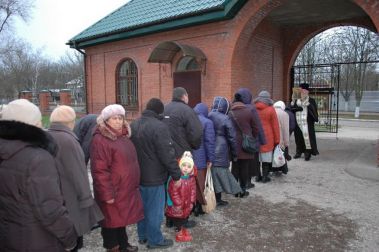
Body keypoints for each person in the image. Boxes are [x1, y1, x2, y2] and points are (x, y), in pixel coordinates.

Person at [0, 99, 77, 251]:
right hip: (38, 240)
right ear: (32, 125)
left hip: (8, 237)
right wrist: (70, 238)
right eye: (39, 121)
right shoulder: (37, 158)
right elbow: (50, 210)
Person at [48, 106, 104, 251]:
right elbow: (78, 172)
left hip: (56, 194)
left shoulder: (49, 135)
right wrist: (87, 199)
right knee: (74, 238)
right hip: (72, 195)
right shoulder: (68, 140)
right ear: (71, 121)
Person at [90, 104, 143, 252]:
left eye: (120, 118)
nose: (118, 121)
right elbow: (99, 170)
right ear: (106, 120)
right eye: (114, 118)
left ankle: (123, 244)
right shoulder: (101, 139)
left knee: (120, 218)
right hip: (112, 190)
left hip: (124, 188)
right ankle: (112, 247)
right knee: (110, 221)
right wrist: (106, 194)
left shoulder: (123, 136)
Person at [130, 98, 181, 250]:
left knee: (142, 208)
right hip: (155, 177)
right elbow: (167, 153)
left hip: (138, 176)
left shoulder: (135, 124)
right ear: (160, 111)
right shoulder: (159, 127)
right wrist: (176, 174)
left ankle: (143, 236)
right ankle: (155, 240)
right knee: (155, 211)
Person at [208, 96, 241, 206]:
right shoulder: (226, 118)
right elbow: (232, 137)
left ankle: (212, 197)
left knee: (212, 174)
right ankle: (218, 199)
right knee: (220, 174)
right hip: (221, 148)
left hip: (210, 145)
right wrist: (235, 154)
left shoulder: (209, 114)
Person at [235, 88, 266, 187]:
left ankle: (237, 183)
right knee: (249, 162)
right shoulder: (251, 109)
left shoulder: (233, 107)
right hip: (249, 140)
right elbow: (257, 126)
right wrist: (261, 139)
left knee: (237, 163)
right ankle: (247, 182)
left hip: (235, 141)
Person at [229, 92, 258, 197]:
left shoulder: (230, 112)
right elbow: (256, 128)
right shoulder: (249, 111)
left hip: (233, 143)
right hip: (246, 144)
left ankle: (234, 190)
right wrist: (251, 137)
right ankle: (243, 189)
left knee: (235, 166)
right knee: (245, 167)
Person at [165, 151, 197, 242]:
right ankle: (179, 234)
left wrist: (192, 201)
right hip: (177, 205)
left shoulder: (191, 178)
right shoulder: (176, 178)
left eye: (188, 166)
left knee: (184, 217)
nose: (186, 168)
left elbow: (193, 190)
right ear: (180, 165)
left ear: (192, 168)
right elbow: (173, 192)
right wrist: (178, 203)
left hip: (186, 203)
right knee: (177, 218)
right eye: (184, 165)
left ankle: (181, 229)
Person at [163, 87, 203, 158]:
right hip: (183, 155)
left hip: (165, 154)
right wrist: (194, 146)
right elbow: (196, 132)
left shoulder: (164, 109)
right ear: (184, 96)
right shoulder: (188, 111)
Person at [192, 103, 215, 216]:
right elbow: (209, 142)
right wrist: (210, 159)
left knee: (191, 183)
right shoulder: (207, 122)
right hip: (201, 158)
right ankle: (198, 208)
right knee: (201, 184)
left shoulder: (189, 120)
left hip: (189, 158)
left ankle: (191, 207)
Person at [254, 91, 280, 183]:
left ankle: (257, 176)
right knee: (266, 158)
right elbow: (275, 126)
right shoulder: (271, 109)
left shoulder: (253, 108)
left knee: (257, 158)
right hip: (267, 137)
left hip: (256, 136)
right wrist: (277, 139)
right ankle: (265, 177)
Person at [291, 83, 319, 161]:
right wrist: (293, 103)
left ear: (307, 92)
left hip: (308, 123)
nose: (301, 93)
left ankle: (308, 153)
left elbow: (314, 112)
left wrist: (307, 104)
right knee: (298, 138)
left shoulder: (311, 100)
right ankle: (298, 151)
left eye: (303, 91)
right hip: (298, 123)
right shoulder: (296, 100)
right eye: (300, 91)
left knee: (307, 138)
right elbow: (292, 109)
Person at [273, 101, 290, 174]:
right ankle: (282, 168)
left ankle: (273, 169)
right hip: (280, 139)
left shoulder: (271, 111)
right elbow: (286, 129)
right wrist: (286, 142)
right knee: (281, 154)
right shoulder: (284, 114)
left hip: (272, 138)